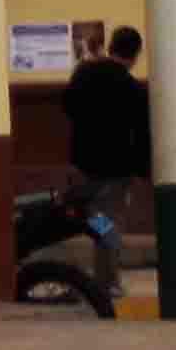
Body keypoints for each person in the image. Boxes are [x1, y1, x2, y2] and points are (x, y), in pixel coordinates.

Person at [62, 26, 151, 276]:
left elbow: (67, 105)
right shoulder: (132, 88)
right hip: (116, 170)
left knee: (94, 215)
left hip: (83, 163)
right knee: (109, 223)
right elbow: (142, 133)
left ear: (111, 45)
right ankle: (107, 279)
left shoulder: (84, 73)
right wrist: (143, 169)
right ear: (135, 54)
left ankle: (104, 268)